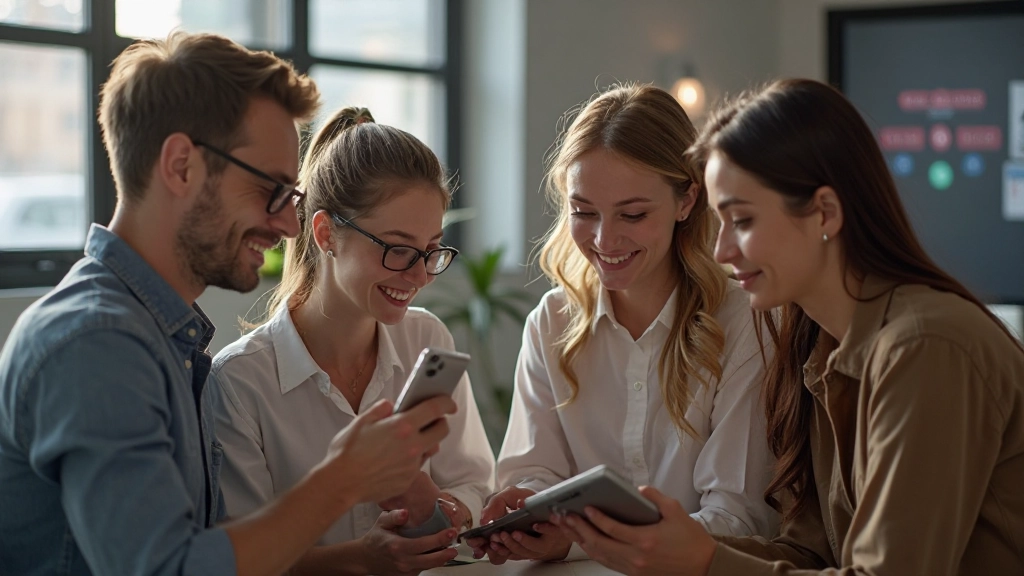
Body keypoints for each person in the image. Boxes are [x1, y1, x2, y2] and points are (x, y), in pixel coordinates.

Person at [0, 32, 457, 576]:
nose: (289, 225)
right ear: (181, 167)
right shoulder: (98, 344)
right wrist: (343, 481)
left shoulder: (160, 338)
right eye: (270, 190)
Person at [551, 78, 1024, 576]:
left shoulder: (926, 346)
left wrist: (706, 560)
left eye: (743, 221)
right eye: (720, 221)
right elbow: (814, 555)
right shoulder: (818, 346)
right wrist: (675, 549)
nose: (722, 251)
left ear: (824, 212)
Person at [468, 83, 778, 564]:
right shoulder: (551, 322)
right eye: (583, 212)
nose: (604, 239)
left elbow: (738, 516)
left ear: (686, 201)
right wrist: (525, 506)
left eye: (632, 214)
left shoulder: (744, 322)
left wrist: (578, 539)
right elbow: (534, 474)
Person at [209, 106, 495, 575]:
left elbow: (475, 485)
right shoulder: (242, 381)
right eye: (398, 249)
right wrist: (361, 559)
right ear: (326, 234)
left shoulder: (426, 338)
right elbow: (242, 559)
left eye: (430, 250)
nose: (421, 274)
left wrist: (433, 504)